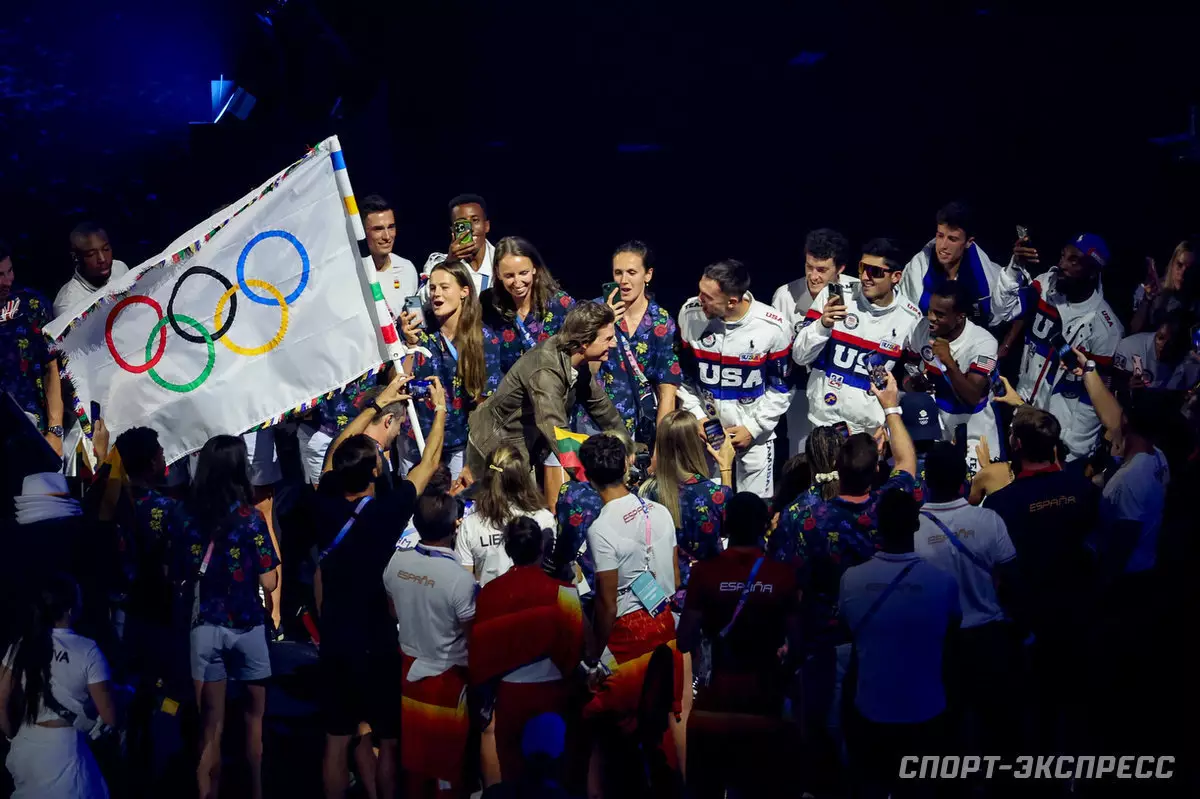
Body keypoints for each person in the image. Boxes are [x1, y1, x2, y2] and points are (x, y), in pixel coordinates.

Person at [768, 373, 920, 790]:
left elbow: (787, 582)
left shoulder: (803, 514)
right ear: (876, 470)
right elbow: (908, 464)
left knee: (828, 739)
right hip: (883, 638)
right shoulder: (889, 502)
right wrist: (890, 406)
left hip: (825, 642)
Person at [313, 373, 445, 799]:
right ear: (375, 469)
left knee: (336, 738)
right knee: (388, 738)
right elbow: (429, 463)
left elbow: (335, 452)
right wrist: (440, 411)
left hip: (333, 638)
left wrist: (378, 403)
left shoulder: (325, 502)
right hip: (376, 641)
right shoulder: (387, 512)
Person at [980, 405, 1098, 753]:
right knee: (1074, 708)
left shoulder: (1001, 504)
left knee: (1030, 717)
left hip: (1026, 626)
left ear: (1015, 444)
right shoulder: (1084, 490)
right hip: (1078, 617)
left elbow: (995, 572)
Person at [172, 436, 280, 799]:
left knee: (210, 726)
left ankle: (207, 793)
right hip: (247, 623)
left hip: (204, 625)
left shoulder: (186, 515)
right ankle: (257, 790)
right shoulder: (251, 519)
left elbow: (176, 570)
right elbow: (270, 578)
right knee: (254, 723)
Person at [677, 493, 801, 799]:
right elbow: (798, 644)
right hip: (765, 705)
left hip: (713, 705)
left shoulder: (704, 573)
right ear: (764, 526)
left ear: (725, 524)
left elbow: (685, 638)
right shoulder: (782, 576)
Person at [839, 489, 961, 799]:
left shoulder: (851, 580)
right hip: (927, 710)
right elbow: (952, 634)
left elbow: (849, 631)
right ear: (916, 525)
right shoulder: (943, 582)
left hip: (871, 709)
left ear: (877, 524)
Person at [579, 434, 682, 773]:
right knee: (662, 722)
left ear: (587, 475)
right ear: (626, 464)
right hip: (666, 627)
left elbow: (607, 604)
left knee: (601, 725)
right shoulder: (661, 511)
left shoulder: (601, 529)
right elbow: (675, 579)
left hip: (628, 639)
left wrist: (594, 658)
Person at [914, 441, 1020, 755]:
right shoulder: (989, 521)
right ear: (964, 479)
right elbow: (1012, 577)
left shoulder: (912, 529)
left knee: (945, 730)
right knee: (996, 727)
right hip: (988, 637)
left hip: (938, 644)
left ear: (926, 480)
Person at [469, 516, 585, 785]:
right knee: (554, 775)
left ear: (508, 550)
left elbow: (481, 650)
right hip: (553, 695)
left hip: (510, 697)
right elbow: (577, 645)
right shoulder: (563, 591)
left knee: (514, 775)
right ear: (541, 549)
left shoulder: (489, 593)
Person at [466, 301, 624, 491]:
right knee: (506, 513)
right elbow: (557, 432)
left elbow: (601, 406)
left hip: (523, 444)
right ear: (584, 343)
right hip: (495, 446)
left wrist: (627, 446)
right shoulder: (546, 372)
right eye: (607, 339)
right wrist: (591, 477)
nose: (614, 344)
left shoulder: (575, 360)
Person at [382, 490, 476, 797]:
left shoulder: (396, 562)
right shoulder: (459, 581)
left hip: (409, 674)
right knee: (446, 769)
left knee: (416, 764)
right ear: (455, 526)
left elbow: (393, 610)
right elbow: (471, 635)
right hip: (448, 680)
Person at [677, 258, 792, 498]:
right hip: (706, 434)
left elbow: (782, 386)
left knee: (754, 510)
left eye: (708, 297)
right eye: (700, 291)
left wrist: (753, 428)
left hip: (755, 437)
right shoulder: (689, 314)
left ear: (732, 301)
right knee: (709, 507)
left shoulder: (773, 326)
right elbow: (684, 376)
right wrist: (698, 417)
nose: (699, 300)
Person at [0, 573, 116, 799]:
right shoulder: (87, 650)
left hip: (25, 746)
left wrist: (11, 736)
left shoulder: (22, 645)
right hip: (64, 752)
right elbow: (110, 717)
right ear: (71, 610)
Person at [792, 238, 924, 435]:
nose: (865, 277)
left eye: (876, 272)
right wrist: (823, 325)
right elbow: (800, 357)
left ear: (896, 277)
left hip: (870, 429)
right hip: (824, 421)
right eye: (863, 268)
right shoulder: (833, 296)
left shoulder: (911, 318)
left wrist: (891, 419)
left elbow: (913, 377)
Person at [1011, 233, 1124, 463]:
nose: (1062, 264)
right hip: (1024, 417)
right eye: (1063, 256)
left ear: (1092, 271)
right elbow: (1002, 311)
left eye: (1074, 260)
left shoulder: (1106, 328)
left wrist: (1071, 450)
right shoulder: (1046, 287)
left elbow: (1093, 400)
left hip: (1061, 444)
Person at [578, 240, 681, 446]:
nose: (624, 280)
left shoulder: (661, 321)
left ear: (648, 275)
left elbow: (667, 389)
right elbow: (585, 371)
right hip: (593, 422)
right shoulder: (593, 312)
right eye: (618, 273)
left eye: (632, 272)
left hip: (640, 429)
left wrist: (661, 448)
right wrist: (604, 327)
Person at [772, 228, 859, 457]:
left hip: (842, 390)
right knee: (801, 457)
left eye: (822, 270)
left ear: (840, 269)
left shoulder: (858, 292)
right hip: (799, 390)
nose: (813, 276)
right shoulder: (785, 295)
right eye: (809, 267)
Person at [401, 259, 487, 479]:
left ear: (464, 291)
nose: (436, 294)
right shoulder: (421, 333)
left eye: (444, 287)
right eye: (432, 288)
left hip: (459, 444)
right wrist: (410, 346)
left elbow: (485, 403)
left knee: (456, 506)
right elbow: (399, 382)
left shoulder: (482, 337)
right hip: (417, 440)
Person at [903, 281, 1002, 474]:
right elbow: (909, 367)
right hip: (934, 425)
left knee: (975, 493)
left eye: (939, 314)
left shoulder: (984, 343)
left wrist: (948, 362)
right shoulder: (921, 328)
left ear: (960, 317)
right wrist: (913, 385)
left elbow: (972, 397)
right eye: (930, 311)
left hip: (973, 429)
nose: (931, 318)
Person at [638, 409, 731, 590]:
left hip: (666, 590)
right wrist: (725, 467)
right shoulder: (714, 494)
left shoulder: (645, 493)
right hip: (710, 590)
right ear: (696, 445)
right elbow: (730, 529)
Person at [898, 201, 1025, 330]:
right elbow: (905, 314)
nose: (943, 246)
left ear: (968, 242)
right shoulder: (918, 268)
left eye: (952, 239)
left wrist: (1015, 269)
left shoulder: (984, 279)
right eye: (940, 236)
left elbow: (1000, 315)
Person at [551, 429, 637, 611]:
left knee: (573, 636)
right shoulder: (641, 500)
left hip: (577, 588)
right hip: (625, 594)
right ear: (628, 461)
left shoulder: (571, 492)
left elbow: (564, 547)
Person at [482, 235, 576, 390]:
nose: (517, 282)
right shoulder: (489, 305)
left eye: (523, 273)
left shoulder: (560, 304)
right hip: (511, 402)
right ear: (498, 273)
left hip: (554, 399)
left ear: (534, 268)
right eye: (509, 276)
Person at [456, 445, 555, 586]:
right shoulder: (545, 519)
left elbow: (464, 583)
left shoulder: (470, 525)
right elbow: (554, 571)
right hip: (538, 602)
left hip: (490, 603)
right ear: (523, 476)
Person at [0, 241, 65, 455]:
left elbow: (51, 367)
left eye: (9, 271)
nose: (7, 281)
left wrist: (55, 431)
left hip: (30, 427)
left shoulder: (32, 304)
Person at [358, 194, 418, 322]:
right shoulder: (352, 274)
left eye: (391, 227)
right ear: (362, 232)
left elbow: (415, 321)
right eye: (378, 229)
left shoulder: (407, 269)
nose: (387, 236)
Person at [52, 222, 131, 319]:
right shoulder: (68, 305)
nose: (102, 259)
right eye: (91, 254)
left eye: (106, 249)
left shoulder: (120, 268)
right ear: (76, 257)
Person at [422, 193, 496, 295]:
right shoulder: (438, 264)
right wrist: (449, 264)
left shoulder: (502, 261)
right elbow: (422, 302)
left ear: (486, 226)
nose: (470, 229)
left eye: (475, 220)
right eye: (462, 224)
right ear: (453, 230)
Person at [1130, 239, 1197, 333]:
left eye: (1188, 269)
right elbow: (1133, 330)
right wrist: (1147, 300)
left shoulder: (1192, 300)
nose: (1182, 273)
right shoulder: (1152, 288)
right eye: (1179, 265)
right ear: (1172, 263)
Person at [1112, 312, 1189, 390]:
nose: (1163, 345)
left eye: (1170, 342)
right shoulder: (1130, 346)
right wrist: (1125, 384)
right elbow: (1115, 381)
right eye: (1160, 338)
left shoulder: (1185, 358)